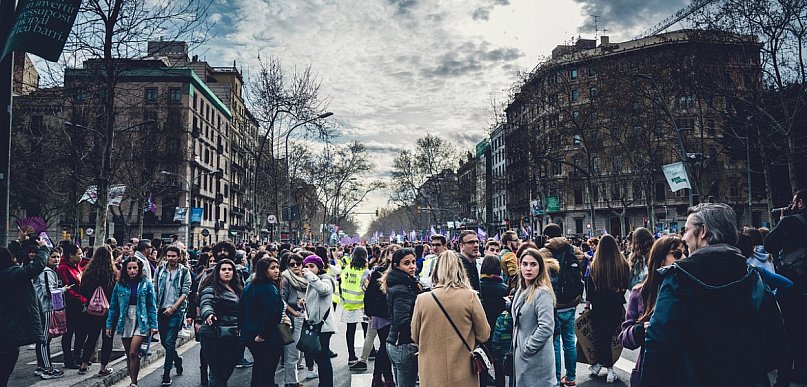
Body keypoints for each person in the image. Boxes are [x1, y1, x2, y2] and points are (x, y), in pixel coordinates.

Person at [640, 203, 787, 386]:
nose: (683, 237)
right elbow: (775, 342)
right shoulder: (754, 277)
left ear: (702, 232)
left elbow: (659, 344)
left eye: (686, 230)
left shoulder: (677, 276)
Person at [412, 249, 490, 387]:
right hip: (463, 370)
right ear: (460, 270)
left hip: (432, 371)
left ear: (436, 271)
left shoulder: (422, 300)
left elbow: (415, 335)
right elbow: (484, 334)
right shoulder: (470, 297)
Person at [618, 236, 685, 387]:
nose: (684, 258)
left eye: (686, 253)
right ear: (660, 259)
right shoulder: (640, 293)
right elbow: (624, 337)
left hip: (682, 371)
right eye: (677, 254)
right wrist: (640, 330)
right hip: (650, 371)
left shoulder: (689, 289)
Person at [766, 189, 807, 386]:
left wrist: (782, 221)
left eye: (793, 201)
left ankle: (784, 378)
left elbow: (769, 245)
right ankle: (802, 373)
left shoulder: (790, 222)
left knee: (788, 333)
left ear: (800, 203)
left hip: (793, 287)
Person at [536, 223, 585, 387]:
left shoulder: (543, 253)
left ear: (546, 237)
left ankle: (556, 380)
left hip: (554, 304)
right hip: (571, 302)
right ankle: (571, 377)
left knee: (555, 343)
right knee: (569, 341)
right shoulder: (574, 250)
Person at [0, 238, 48, 386]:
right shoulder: (11, 274)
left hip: (7, 324)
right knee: (7, 361)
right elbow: (37, 266)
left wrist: (20, 242)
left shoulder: (9, 273)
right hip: (9, 326)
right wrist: (44, 248)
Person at [105, 257, 159, 387]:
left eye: (135, 268)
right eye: (129, 268)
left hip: (141, 319)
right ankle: (132, 380)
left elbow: (151, 306)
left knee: (133, 352)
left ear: (139, 269)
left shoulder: (146, 283)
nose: (132, 271)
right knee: (129, 353)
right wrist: (109, 324)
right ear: (125, 270)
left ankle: (134, 382)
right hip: (125, 319)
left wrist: (154, 325)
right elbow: (113, 307)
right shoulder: (119, 285)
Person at [585, 235, 629, 383]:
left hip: (599, 305)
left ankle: (607, 367)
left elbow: (589, 288)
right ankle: (602, 365)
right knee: (609, 336)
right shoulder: (622, 264)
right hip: (615, 304)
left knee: (601, 336)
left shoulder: (595, 265)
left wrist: (588, 304)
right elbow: (625, 284)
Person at [510, 248, 556, 387]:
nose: (528, 268)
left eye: (533, 264)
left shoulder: (542, 293)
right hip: (522, 357)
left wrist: (528, 347)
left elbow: (546, 327)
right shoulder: (521, 289)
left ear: (540, 268)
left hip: (536, 358)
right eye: (525, 264)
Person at [239, 256, 286, 387]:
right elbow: (271, 313)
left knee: (259, 366)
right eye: (272, 268)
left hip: (250, 334)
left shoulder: (250, 285)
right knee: (267, 370)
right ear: (264, 270)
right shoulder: (268, 287)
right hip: (265, 336)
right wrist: (262, 334)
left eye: (277, 267)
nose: (276, 271)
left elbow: (241, 309)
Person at [199, 258, 243, 387]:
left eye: (230, 269)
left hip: (233, 335)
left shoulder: (238, 288)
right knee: (217, 373)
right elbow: (206, 303)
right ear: (218, 272)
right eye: (223, 269)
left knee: (225, 372)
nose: (227, 272)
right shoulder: (211, 288)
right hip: (214, 335)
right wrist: (209, 314)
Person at [382, 248, 421, 387]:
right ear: (396, 265)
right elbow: (402, 321)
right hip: (404, 344)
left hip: (396, 342)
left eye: (413, 262)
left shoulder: (402, 284)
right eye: (407, 263)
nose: (412, 266)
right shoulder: (403, 289)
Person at [154, 245, 192, 386]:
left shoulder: (184, 272)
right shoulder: (159, 270)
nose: (171, 258)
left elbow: (185, 292)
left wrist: (173, 307)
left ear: (179, 256)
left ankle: (166, 373)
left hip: (176, 311)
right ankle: (177, 359)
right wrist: (155, 307)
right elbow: (155, 288)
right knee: (164, 342)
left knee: (170, 342)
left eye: (173, 256)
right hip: (161, 310)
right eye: (168, 256)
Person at [77, 245, 117, 377]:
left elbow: (82, 289)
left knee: (91, 337)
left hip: (92, 311)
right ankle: (103, 367)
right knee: (107, 339)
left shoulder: (88, 273)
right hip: (109, 312)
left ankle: (83, 364)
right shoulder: (113, 274)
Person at [302, 254, 337, 387]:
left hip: (323, 326)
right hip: (315, 324)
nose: (309, 269)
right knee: (320, 358)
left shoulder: (325, 279)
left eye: (312, 266)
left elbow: (323, 290)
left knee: (323, 358)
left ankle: (326, 383)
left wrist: (309, 275)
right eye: (306, 266)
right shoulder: (314, 280)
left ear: (319, 267)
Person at [32, 246, 64, 379]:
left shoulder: (48, 271)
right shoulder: (46, 272)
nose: (56, 259)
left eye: (58, 257)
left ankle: (41, 366)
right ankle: (47, 368)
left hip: (43, 308)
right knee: (44, 339)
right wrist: (63, 290)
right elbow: (48, 292)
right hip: (45, 308)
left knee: (43, 338)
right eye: (53, 257)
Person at [363, 249, 394, 387]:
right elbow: (369, 293)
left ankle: (383, 377)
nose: (394, 254)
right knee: (384, 345)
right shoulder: (378, 272)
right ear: (386, 255)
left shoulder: (402, 272)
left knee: (386, 346)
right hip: (381, 314)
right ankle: (384, 377)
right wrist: (369, 312)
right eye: (391, 252)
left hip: (394, 314)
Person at [56, 243, 87, 370]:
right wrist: (81, 299)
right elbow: (68, 289)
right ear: (71, 255)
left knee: (81, 332)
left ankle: (77, 356)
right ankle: (68, 359)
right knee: (69, 333)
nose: (81, 256)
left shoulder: (77, 266)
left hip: (80, 305)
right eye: (79, 254)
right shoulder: (63, 268)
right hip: (70, 305)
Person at [479, 255, 509, 387]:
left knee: (483, 363)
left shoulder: (478, 287)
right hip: (499, 331)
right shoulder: (503, 289)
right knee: (499, 365)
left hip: (483, 330)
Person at [279, 252, 307, 387]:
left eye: (298, 263)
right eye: (292, 264)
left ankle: (293, 380)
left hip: (304, 317)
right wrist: (294, 312)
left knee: (299, 351)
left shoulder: (306, 278)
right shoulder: (285, 279)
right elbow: (282, 301)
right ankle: (290, 382)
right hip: (290, 319)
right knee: (291, 352)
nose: (295, 266)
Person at [340, 246, 370, 366]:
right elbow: (366, 288)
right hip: (362, 304)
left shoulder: (347, 269)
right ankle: (369, 352)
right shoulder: (365, 271)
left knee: (350, 330)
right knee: (367, 330)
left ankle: (351, 356)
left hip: (348, 303)